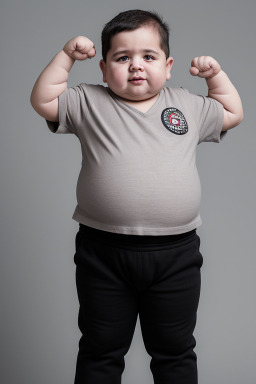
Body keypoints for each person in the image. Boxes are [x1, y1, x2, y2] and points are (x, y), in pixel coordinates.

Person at [30, 9, 243, 384]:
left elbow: (231, 112)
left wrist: (215, 75)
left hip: (175, 255)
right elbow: (43, 100)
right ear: (102, 68)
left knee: (175, 350)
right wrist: (65, 56)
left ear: (169, 65)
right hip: (103, 253)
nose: (136, 67)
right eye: (122, 57)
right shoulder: (88, 102)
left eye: (148, 56)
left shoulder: (186, 105)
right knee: (100, 348)